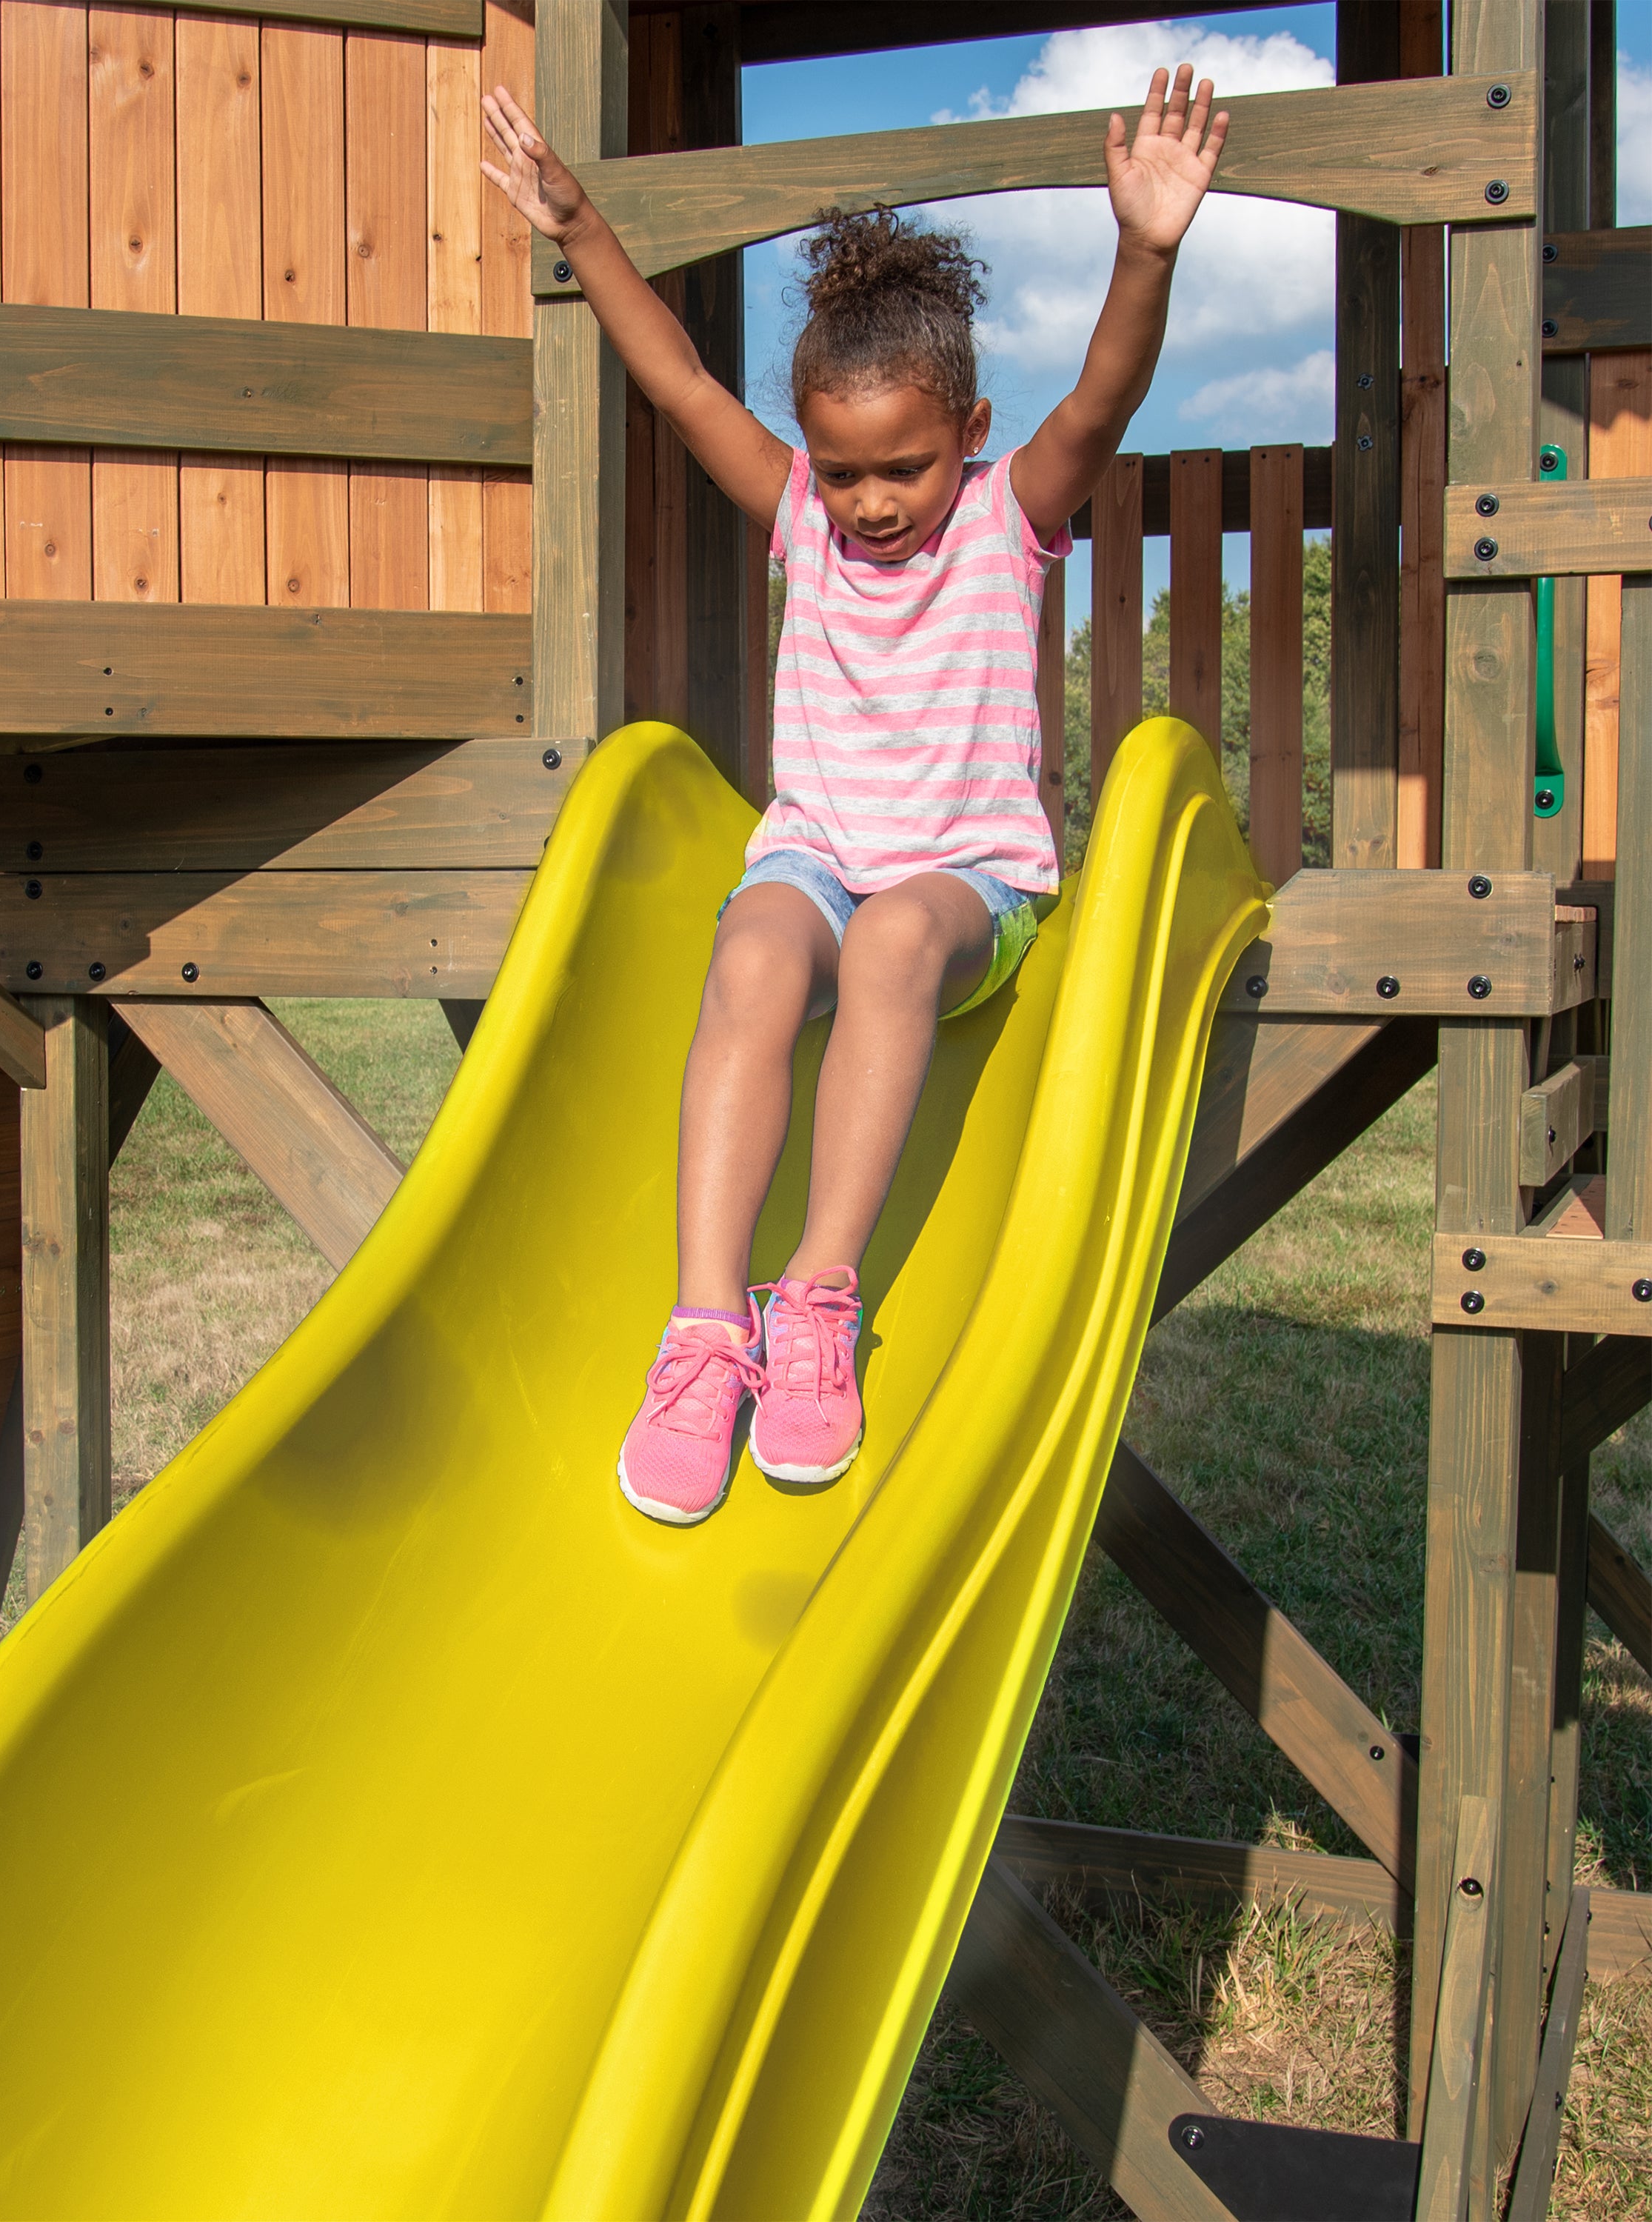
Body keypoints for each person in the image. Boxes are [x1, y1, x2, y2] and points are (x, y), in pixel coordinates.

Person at [480, 66, 1228, 1525]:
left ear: (970, 430)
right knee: (756, 946)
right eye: (845, 470)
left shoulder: (1010, 518)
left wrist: (1146, 249)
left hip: (969, 885)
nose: (875, 501)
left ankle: (819, 1294)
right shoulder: (805, 522)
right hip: (822, 858)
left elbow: (1104, 398)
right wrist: (580, 232)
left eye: (908, 466)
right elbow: (683, 385)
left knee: (887, 943)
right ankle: (707, 1328)